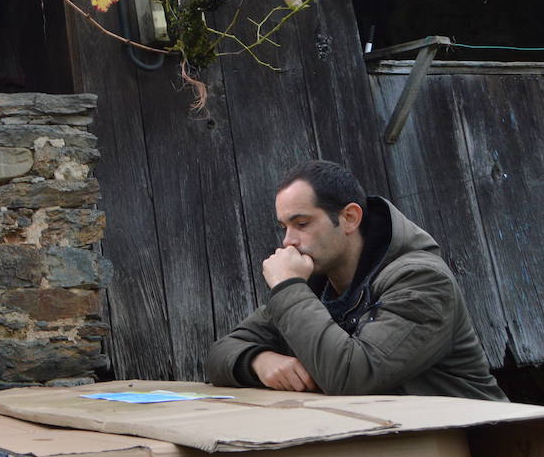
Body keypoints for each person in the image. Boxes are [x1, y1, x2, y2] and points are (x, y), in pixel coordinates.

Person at [205, 159, 505, 400]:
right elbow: (220, 353)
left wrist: (287, 287)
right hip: (393, 447)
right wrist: (258, 360)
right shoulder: (314, 282)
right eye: (284, 226)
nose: (288, 242)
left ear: (349, 218)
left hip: (476, 454)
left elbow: (352, 377)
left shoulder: (422, 280)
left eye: (302, 223)